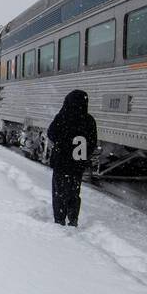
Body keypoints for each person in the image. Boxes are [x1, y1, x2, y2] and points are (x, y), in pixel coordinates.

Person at [45, 89, 97, 226]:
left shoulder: (62, 117)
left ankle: (59, 219)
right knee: (74, 192)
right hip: (78, 165)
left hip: (62, 163)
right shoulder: (89, 120)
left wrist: (62, 145)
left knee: (59, 192)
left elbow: (51, 134)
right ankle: (73, 218)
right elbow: (92, 142)